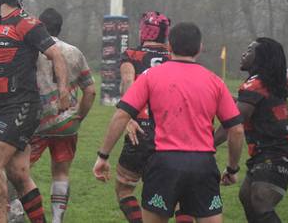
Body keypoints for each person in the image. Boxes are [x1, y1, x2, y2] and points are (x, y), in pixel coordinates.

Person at [93, 22, 245, 223]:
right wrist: (232, 168)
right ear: (200, 48)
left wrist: (103, 156)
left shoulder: (150, 76)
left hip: (164, 163)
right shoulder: (215, 81)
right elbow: (236, 130)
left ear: (170, 47)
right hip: (203, 165)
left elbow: (122, 115)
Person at [0, 0, 69, 223]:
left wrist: (63, 90)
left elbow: (56, 55)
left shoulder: (27, 23)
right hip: (3, 106)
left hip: (21, 105)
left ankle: (0, 219)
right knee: (18, 172)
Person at [213, 38, 288, 222]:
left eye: (249, 51)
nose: (243, 53)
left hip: (277, 153)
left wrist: (206, 144)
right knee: (247, 196)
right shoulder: (266, 81)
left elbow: (233, 122)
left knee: (260, 200)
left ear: (260, 58)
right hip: (266, 152)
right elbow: (246, 105)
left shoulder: (255, 84)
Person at [114, 12, 182, 223]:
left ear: (144, 30)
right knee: (178, 195)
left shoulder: (132, 54)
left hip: (140, 129)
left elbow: (128, 83)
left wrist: (130, 118)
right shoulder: (176, 57)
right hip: (171, 132)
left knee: (124, 189)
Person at [29, 8, 96, 223]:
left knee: (18, 169)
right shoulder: (74, 52)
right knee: (61, 172)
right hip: (66, 122)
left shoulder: (32, 50)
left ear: (39, 26)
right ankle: (57, 219)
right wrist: (79, 116)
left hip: (36, 123)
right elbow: (90, 90)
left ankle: (16, 212)